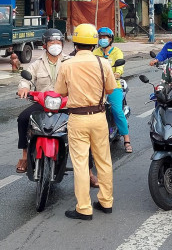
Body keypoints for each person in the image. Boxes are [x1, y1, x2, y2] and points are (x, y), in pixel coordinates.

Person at [55, 23, 118, 221]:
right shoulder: (103, 63)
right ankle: (106, 202)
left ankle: (84, 208)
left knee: (81, 164)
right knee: (103, 161)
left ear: (75, 43)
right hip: (99, 117)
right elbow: (110, 90)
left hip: (77, 118)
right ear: (94, 44)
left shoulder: (66, 64)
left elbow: (60, 92)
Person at [16, 28, 70, 173]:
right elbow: (26, 79)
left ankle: (87, 170)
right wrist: (24, 88)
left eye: (58, 42)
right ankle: (25, 156)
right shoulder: (37, 64)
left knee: (81, 126)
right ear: (45, 44)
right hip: (43, 103)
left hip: (65, 102)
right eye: (51, 42)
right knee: (23, 119)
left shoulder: (70, 62)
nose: (55, 44)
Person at [93, 27, 131, 153]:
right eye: (101, 38)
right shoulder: (95, 52)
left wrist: (117, 74)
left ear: (110, 39)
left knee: (117, 110)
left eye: (105, 38)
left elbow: (120, 68)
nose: (102, 40)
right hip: (98, 87)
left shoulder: (117, 52)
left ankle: (126, 139)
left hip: (114, 86)